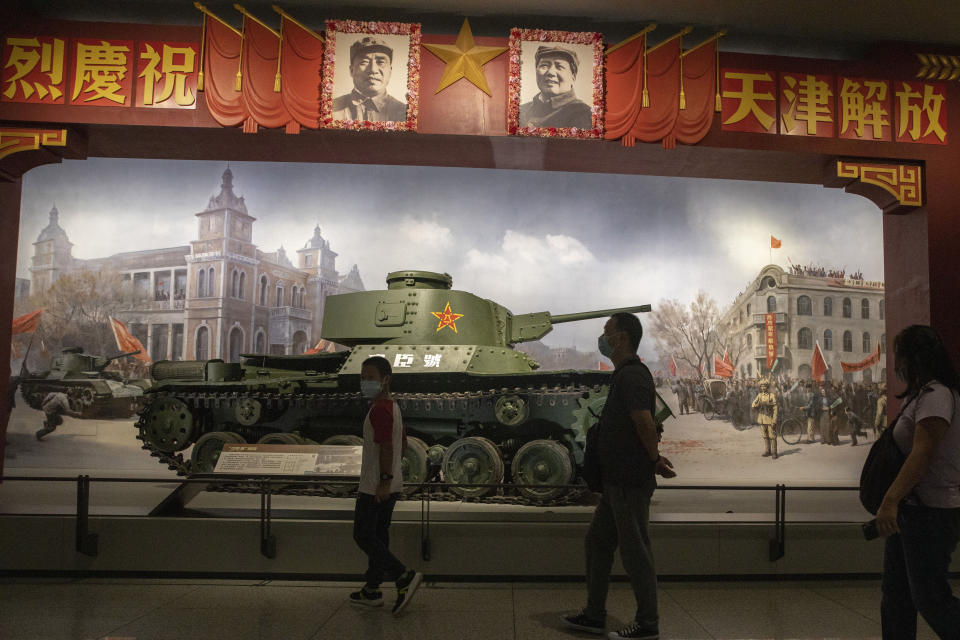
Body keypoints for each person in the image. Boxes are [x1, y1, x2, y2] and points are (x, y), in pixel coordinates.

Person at [564, 312, 676, 640]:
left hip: (628, 481)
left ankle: (647, 624)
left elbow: (643, 422)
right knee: (598, 542)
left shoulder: (632, 376)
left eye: (606, 331)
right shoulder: (624, 375)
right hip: (617, 480)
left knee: (635, 550)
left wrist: (653, 459)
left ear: (621, 337)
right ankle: (594, 614)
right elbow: (636, 426)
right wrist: (652, 458)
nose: (602, 337)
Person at [875, 325, 960, 639]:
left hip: (931, 511)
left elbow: (922, 454)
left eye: (900, 356)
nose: (897, 364)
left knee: (931, 599)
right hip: (913, 510)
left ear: (912, 359)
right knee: (896, 597)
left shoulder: (936, 396)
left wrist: (890, 500)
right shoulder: (923, 395)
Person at [349, 355, 422, 615]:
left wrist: (382, 481)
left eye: (370, 377)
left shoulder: (380, 408)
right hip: (390, 484)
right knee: (379, 536)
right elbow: (401, 444)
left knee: (363, 535)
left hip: (374, 486)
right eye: (362, 377)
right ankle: (372, 589)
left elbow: (388, 446)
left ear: (385, 379)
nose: (364, 381)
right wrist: (392, 477)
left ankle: (403, 576)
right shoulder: (393, 406)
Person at [332, 37, 407, 122]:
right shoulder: (332, 109)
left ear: (390, 71)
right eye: (364, 62)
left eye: (380, 62)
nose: (373, 70)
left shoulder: (404, 113)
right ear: (351, 70)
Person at [518, 45, 592, 129]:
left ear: (573, 76)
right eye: (544, 66)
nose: (551, 72)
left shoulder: (585, 114)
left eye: (559, 67)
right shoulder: (521, 111)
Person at [752, 379, 780, 459]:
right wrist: (758, 405)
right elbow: (753, 404)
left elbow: (775, 408)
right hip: (762, 418)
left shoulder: (772, 395)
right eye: (762, 386)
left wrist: (775, 419)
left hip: (770, 418)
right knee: (765, 435)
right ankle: (768, 451)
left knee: (772, 436)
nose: (763, 387)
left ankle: (774, 452)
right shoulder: (759, 395)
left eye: (764, 386)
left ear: (767, 387)